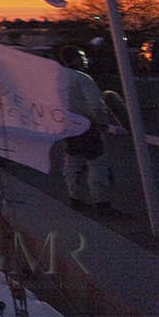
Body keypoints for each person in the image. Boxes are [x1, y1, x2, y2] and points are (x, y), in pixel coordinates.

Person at [59, 47, 114, 213]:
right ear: (75, 58)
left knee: (72, 162)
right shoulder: (83, 79)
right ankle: (101, 202)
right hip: (86, 126)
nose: (85, 60)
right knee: (96, 163)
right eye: (82, 57)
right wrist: (102, 122)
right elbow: (96, 105)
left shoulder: (57, 78)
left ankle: (75, 197)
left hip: (67, 126)